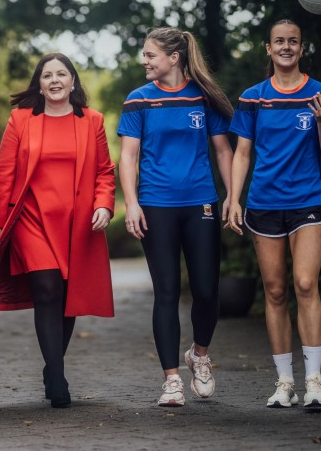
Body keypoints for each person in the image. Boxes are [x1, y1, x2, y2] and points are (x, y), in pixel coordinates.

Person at [0, 53, 116, 408]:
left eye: (61, 74)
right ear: (39, 84)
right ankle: (59, 377)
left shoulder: (92, 121)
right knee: (47, 287)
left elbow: (105, 172)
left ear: (73, 81)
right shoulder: (21, 120)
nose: (54, 80)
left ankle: (52, 368)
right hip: (31, 219)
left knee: (68, 296)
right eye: (47, 75)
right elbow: (4, 173)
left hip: (77, 223)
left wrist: (104, 204)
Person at [225, 19, 321, 409]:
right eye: (280, 41)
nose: (286, 47)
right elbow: (242, 153)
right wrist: (233, 198)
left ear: (302, 49)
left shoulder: (320, 93)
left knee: (306, 284)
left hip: (307, 201)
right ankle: (284, 382)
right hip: (263, 205)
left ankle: (314, 382)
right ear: (268, 48)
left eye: (293, 41)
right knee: (275, 291)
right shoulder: (253, 97)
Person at [117, 27, 234, 407]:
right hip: (156, 205)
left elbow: (222, 151)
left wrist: (232, 196)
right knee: (165, 292)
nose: (144, 61)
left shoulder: (204, 97)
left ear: (174, 57)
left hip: (201, 202)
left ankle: (199, 355)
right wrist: (131, 203)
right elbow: (129, 157)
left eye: (150, 55)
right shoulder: (138, 100)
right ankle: (171, 380)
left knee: (206, 291)